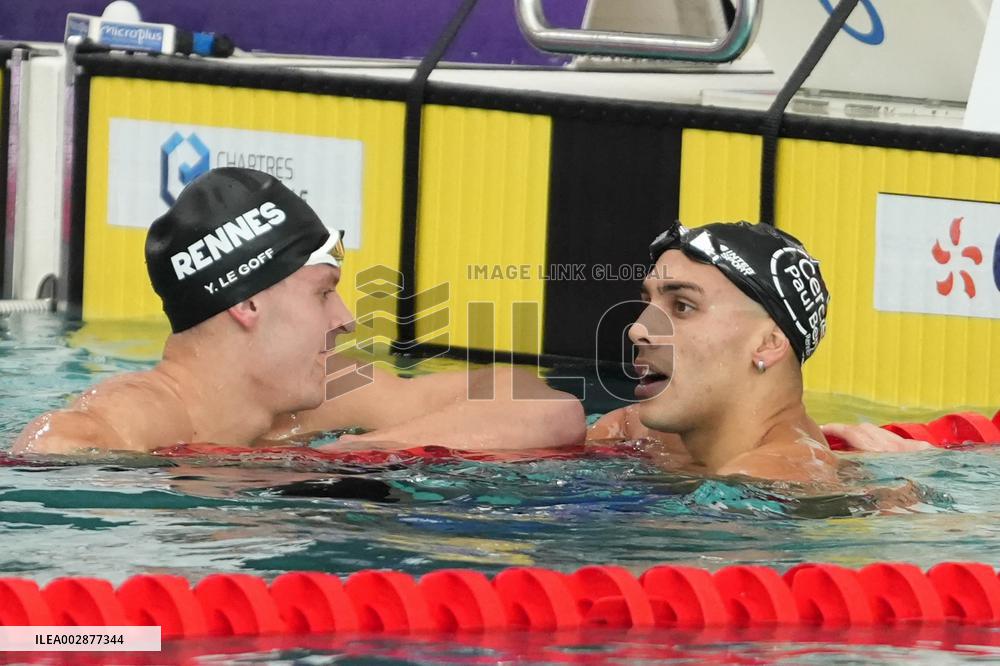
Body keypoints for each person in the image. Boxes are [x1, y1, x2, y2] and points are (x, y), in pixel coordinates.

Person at [12, 168, 584, 455]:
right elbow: (48, 453)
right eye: (322, 291)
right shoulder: (130, 425)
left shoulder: (323, 398)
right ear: (249, 302)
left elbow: (551, 410)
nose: (346, 317)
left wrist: (359, 451)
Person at [591, 220, 850, 483]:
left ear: (768, 343)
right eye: (647, 303)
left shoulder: (775, 482)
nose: (637, 329)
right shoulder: (636, 432)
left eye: (682, 306)